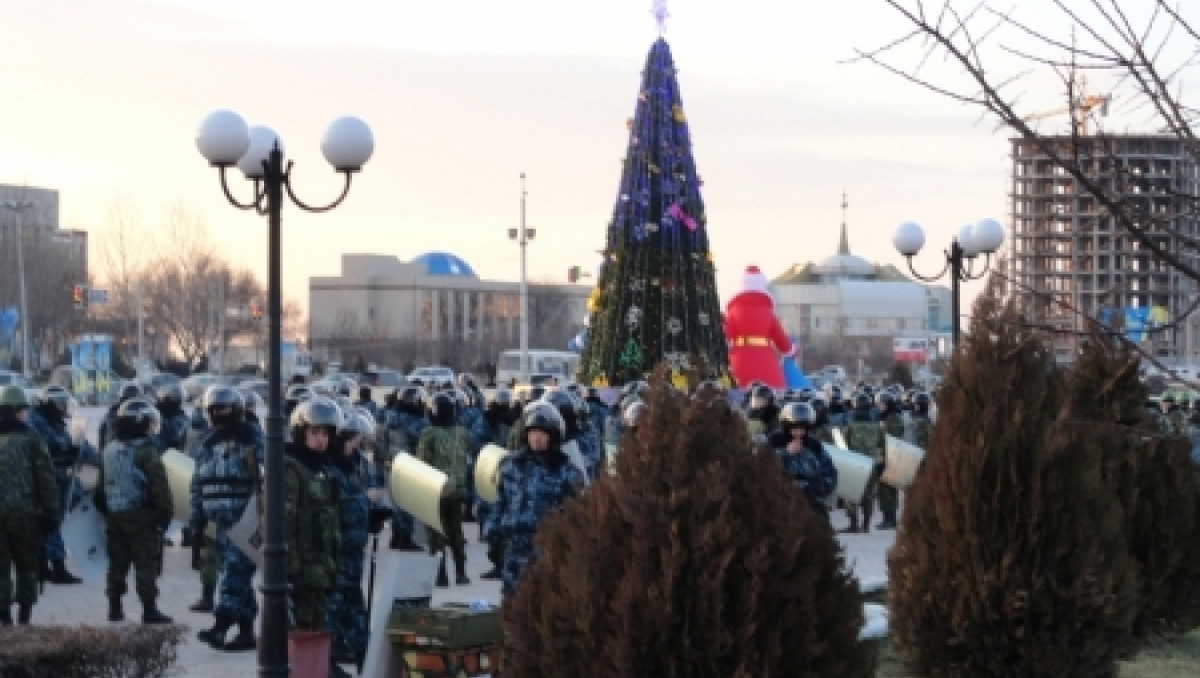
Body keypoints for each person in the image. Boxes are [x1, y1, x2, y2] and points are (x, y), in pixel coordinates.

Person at [483, 402, 585, 599]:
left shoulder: (566, 472)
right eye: (532, 433)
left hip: (547, 547)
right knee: (512, 601)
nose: (536, 438)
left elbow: (575, 514)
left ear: (553, 436)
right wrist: (492, 534)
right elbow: (499, 501)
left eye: (542, 433)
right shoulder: (511, 466)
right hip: (514, 546)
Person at [192, 386, 264, 652]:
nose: (219, 414)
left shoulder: (252, 440)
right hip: (220, 522)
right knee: (237, 578)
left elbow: (266, 480)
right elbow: (197, 483)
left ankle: (220, 626)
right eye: (215, 409)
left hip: (246, 520)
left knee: (234, 574)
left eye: (224, 409)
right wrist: (196, 518)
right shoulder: (206, 445)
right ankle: (246, 632)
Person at [93, 397, 174, 624]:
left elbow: (100, 489)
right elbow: (159, 486)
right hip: (141, 515)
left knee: (117, 562)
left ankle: (114, 607)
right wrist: (164, 514)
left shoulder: (108, 450)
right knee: (145, 562)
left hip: (115, 514)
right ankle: (149, 609)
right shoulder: (147, 451)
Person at [327, 411, 388, 676]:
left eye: (359, 440)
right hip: (332, 554)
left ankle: (366, 661)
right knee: (329, 612)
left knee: (357, 616)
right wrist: (365, 501)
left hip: (354, 552)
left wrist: (375, 514)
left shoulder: (359, 463)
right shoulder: (328, 468)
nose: (356, 445)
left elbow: (368, 492)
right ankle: (327, 663)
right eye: (352, 440)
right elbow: (337, 505)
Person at [0, 385, 59, 626]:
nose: (26, 414)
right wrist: (51, 514)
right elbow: (46, 480)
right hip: (27, 515)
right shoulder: (33, 439)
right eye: (23, 409)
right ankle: (24, 619)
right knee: (27, 567)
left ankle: (4, 620)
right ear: (16, 411)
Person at [284, 396, 342, 631]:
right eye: (315, 433)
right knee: (305, 627)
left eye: (326, 434)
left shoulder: (324, 467)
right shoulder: (291, 467)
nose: (321, 440)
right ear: (301, 433)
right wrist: (291, 566)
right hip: (303, 566)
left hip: (323, 563)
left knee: (320, 624)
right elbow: (286, 521)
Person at [28, 385, 86, 585]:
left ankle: (44, 566)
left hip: (58, 476)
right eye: (60, 404)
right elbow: (49, 448)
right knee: (52, 522)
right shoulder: (37, 422)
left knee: (52, 522)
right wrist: (67, 450)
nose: (63, 407)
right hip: (46, 479)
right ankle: (57, 568)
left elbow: (67, 444)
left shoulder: (53, 422)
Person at [415, 392, 473, 587]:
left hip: (435, 490)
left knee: (435, 533)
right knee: (457, 531)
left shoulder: (428, 433)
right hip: (457, 490)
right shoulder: (462, 432)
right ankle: (461, 573)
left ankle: (440, 575)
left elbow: (422, 462)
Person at [770, 402, 837, 525]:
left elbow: (830, 472)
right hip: (780, 506)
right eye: (794, 429)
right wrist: (785, 453)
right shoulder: (773, 443)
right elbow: (764, 469)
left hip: (812, 506)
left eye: (802, 429)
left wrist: (819, 487)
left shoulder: (814, 446)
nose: (798, 433)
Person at [843, 394, 884, 534]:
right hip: (871, 463)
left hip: (854, 463)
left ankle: (853, 524)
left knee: (851, 493)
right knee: (869, 494)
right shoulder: (877, 426)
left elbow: (843, 444)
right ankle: (865, 524)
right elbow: (881, 444)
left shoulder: (851, 426)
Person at [875, 392, 905, 530]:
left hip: (890, 458)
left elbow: (890, 439)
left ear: (887, 404)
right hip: (890, 456)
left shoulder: (892, 419)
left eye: (881, 404)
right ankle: (889, 518)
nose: (879, 407)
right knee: (889, 489)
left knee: (887, 489)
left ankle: (889, 519)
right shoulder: (890, 417)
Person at [155, 383, 190, 454]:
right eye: (174, 399)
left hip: (178, 454)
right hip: (162, 454)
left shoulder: (181, 417)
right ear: (166, 399)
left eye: (178, 399)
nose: (177, 402)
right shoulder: (156, 417)